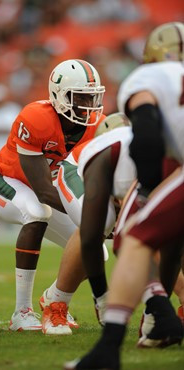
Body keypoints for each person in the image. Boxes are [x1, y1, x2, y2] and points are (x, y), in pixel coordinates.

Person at [64, 21, 184, 370]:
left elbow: (145, 132)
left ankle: (109, 348)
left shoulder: (144, 81)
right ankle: (157, 315)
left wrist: (145, 187)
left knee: (131, 238)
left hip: (158, 169)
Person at [0, 59, 106, 333]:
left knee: (95, 250)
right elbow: (43, 191)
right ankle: (21, 311)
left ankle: (54, 298)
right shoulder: (36, 118)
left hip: (46, 189)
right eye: (80, 96)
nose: (88, 104)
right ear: (59, 95)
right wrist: (95, 214)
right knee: (36, 212)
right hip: (3, 178)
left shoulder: (98, 126)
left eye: (92, 96)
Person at [40, 112, 135, 334]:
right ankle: (57, 306)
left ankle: (157, 310)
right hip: (79, 170)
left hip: (122, 177)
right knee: (98, 223)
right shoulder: (117, 154)